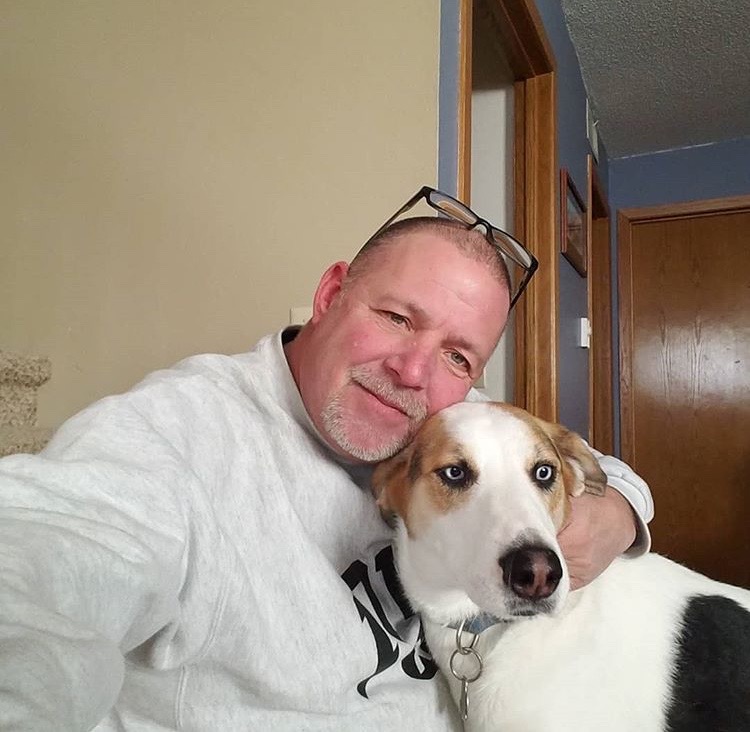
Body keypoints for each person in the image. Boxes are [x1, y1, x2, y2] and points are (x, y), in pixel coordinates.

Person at [0, 186, 652, 731]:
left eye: (459, 356)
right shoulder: (172, 437)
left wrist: (617, 511)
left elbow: (598, 469)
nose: (412, 372)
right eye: (396, 317)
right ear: (330, 293)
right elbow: (41, 570)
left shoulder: (448, 421)